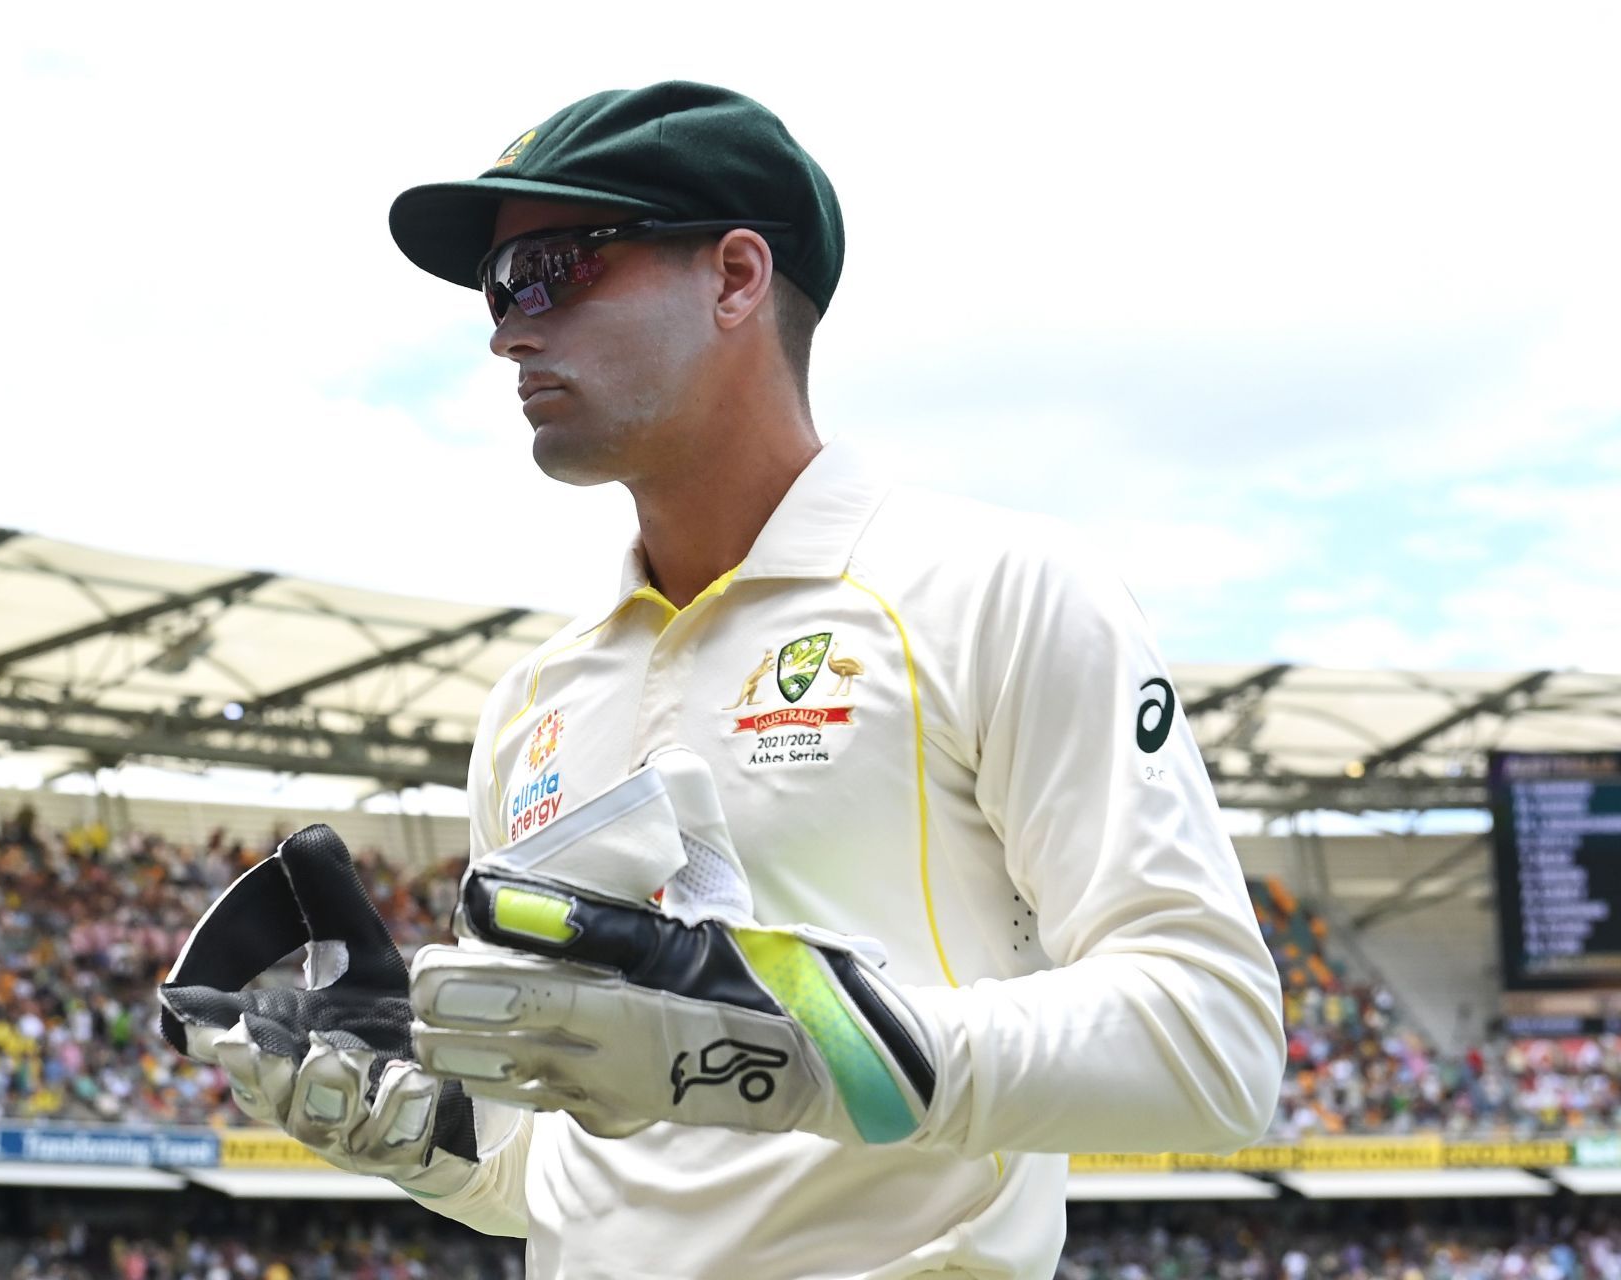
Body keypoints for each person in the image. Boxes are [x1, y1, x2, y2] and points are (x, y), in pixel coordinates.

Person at [164, 80, 1285, 1279]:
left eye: (551, 268)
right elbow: (572, 1172)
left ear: (737, 278)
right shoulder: (534, 700)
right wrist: (427, 1126)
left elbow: (1212, 1041)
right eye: (495, 290)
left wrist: (800, 1035)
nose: (506, 329)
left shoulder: (997, 589)